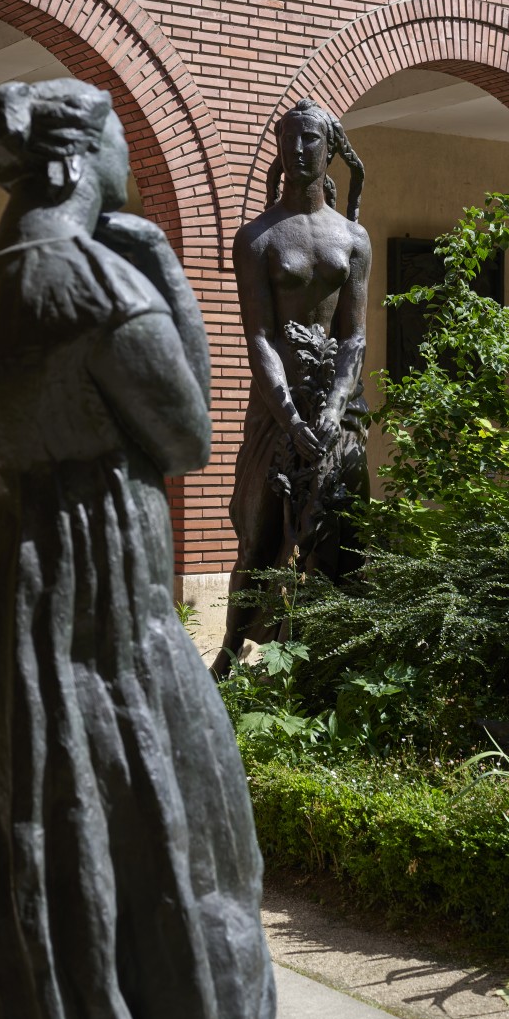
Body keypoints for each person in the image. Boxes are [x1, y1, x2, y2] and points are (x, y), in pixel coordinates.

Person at [0, 79, 275, 1019]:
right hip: (100, 605)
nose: (129, 164)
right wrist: (161, 264)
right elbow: (191, 434)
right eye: (120, 144)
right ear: (78, 162)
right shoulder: (99, 286)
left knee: (30, 850)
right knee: (188, 844)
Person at [211, 98, 371, 678]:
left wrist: (331, 409)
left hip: (338, 407)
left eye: (309, 139)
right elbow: (259, 336)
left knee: (341, 537)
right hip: (275, 408)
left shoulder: (353, 239)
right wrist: (288, 414)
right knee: (257, 534)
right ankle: (229, 656)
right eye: (289, 139)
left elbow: (353, 337)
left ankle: (335, 664)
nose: (297, 149)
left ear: (330, 147)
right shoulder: (257, 238)